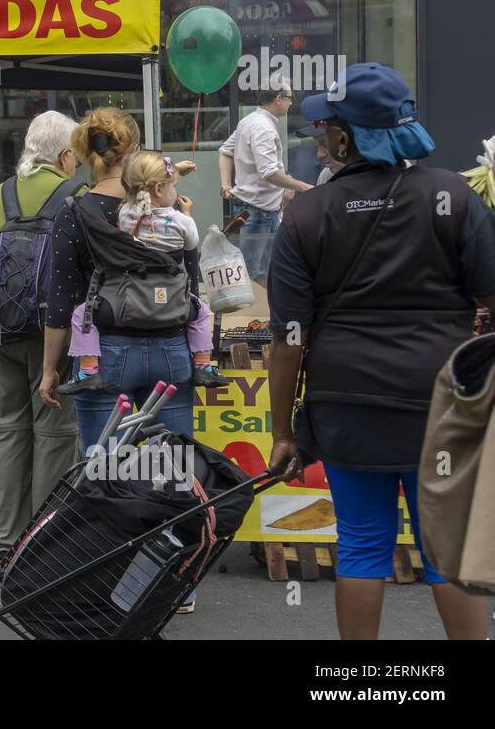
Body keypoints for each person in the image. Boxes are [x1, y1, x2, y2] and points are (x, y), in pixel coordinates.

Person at [266, 63, 495, 640]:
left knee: (362, 546)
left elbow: (287, 340)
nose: (318, 136)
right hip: (440, 408)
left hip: (347, 405)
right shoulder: (454, 197)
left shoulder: (306, 214)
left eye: (325, 127)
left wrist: (282, 433)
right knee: (447, 552)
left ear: (347, 136)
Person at [39, 108, 206, 613]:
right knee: (172, 468)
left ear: (86, 152)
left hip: (104, 353)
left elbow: (62, 295)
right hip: (173, 350)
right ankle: (177, 581)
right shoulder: (171, 207)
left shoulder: (76, 211)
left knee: (108, 469)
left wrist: (51, 368)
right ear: (132, 148)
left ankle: (115, 579)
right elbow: (193, 283)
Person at [0, 111, 84, 569]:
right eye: (76, 155)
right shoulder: (77, 195)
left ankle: (3, 546)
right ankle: (44, 545)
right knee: (55, 435)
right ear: (64, 156)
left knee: (6, 435)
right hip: (52, 336)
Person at [59, 152, 229, 394]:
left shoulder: (126, 215)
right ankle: (203, 365)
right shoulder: (182, 221)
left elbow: (141, 188)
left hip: (127, 302)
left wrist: (166, 174)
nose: (175, 191)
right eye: (174, 185)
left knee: (81, 314)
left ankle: (88, 370)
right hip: (173, 304)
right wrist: (187, 213)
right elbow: (191, 245)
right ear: (159, 188)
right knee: (201, 312)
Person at [218, 84, 312, 281]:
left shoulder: (249, 121)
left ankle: (261, 310)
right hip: (258, 211)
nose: (291, 102)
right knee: (254, 274)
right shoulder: (263, 128)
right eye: (289, 97)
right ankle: (255, 312)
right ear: (278, 99)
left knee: (268, 270)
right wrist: (303, 187)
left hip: (258, 208)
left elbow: (225, 151)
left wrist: (226, 183)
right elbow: (268, 172)